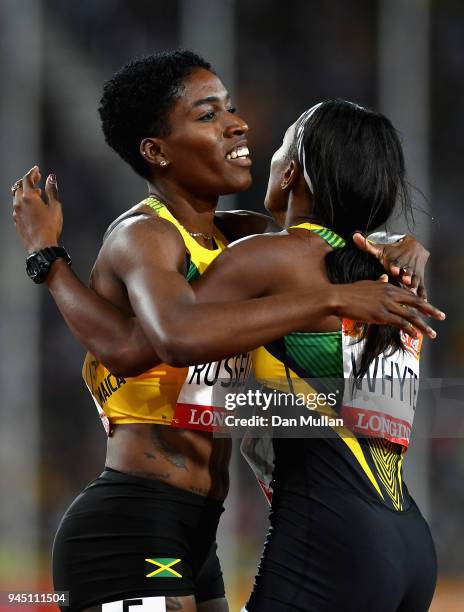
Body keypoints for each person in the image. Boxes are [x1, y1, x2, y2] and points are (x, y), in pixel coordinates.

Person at [11, 51, 443, 612]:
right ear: (156, 151)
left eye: (231, 109)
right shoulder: (145, 236)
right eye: (208, 115)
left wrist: (400, 245)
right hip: (134, 517)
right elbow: (141, 345)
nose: (237, 125)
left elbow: (322, 242)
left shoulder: (240, 237)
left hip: (198, 528)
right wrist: (47, 258)